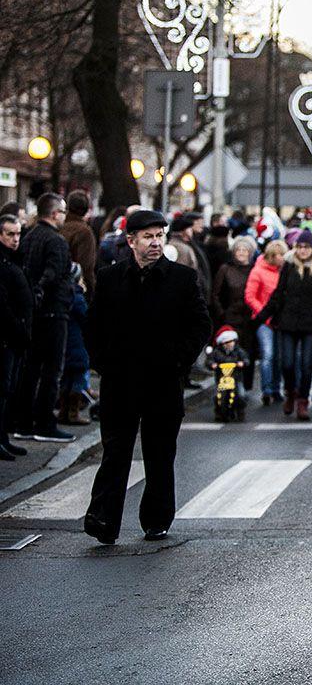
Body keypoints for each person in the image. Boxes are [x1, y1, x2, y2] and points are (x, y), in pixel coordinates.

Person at [83, 209, 211, 545]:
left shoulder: (181, 279)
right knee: (115, 451)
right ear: (131, 241)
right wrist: (103, 362)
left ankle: (156, 518)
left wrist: (178, 362)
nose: (155, 243)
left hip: (163, 381)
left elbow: (200, 325)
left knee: (159, 453)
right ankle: (103, 518)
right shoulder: (111, 277)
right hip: (120, 380)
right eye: (148, 237)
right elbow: (93, 325)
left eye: (159, 236)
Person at [253, 230, 312, 421]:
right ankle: (290, 392)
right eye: (299, 247)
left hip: (310, 324)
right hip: (288, 322)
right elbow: (278, 294)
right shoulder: (289, 267)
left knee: (307, 364)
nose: (303, 250)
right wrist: (261, 317)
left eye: (306, 247)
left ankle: (302, 400)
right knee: (287, 363)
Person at [12, 193, 75, 443]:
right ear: (54, 213)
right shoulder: (56, 241)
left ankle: (23, 421)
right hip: (53, 310)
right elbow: (54, 274)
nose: (64, 216)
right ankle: (45, 422)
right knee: (51, 369)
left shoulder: (28, 237)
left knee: (30, 368)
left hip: (33, 312)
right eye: (63, 211)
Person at [0, 213, 32, 460]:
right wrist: (17, 328)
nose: (15, 239)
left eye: (18, 234)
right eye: (10, 234)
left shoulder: (14, 258)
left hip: (14, 335)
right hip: (6, 335)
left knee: (8, 389)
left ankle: (3, 438)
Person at [244, 240, 287, 406]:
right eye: (279, 255)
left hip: (280, 319)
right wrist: (264, 314)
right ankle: (267, 390)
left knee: (279, 356)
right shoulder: (258, 271)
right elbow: (250, 296)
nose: (282, 258)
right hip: (263, 320)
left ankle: (276, 388)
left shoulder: (284, 272)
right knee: (267, 354)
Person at [211, 236, 257, 389]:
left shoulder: (254, 270)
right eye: (239, 250)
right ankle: (227, 387)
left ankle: (245, 386)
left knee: (247, 353)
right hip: (230, 318)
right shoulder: (225, 269)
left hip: (249, 319)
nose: (241, 253)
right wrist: (222, 314)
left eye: (245, 250)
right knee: (228, 354)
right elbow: (215, 294)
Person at [59, 262, 91, 426]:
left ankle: (63, 411)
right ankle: (73, 413)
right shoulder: (78, 298)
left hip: (66, 344)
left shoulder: (64, 296)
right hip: (78, 345)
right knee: (78, 379)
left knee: (66, 379)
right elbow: (87, 319)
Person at [206, 325, 250, 422]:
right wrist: (212, 364)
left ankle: (240, 411)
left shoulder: (238, 351)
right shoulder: (217, 352)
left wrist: (243, 363)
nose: (229, 344)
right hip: (222, 379)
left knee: (241, 394)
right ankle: (218, 412)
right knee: (217, 396)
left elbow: (246, 359)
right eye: (226, 342)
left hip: (236, 378)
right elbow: (209, 361)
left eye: (231, 341)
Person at [60, 190, 97, 295]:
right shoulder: (84, 232)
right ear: (86, 209)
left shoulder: (59, 226)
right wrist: (91, 291)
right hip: (75, 288)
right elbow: (86, 266)